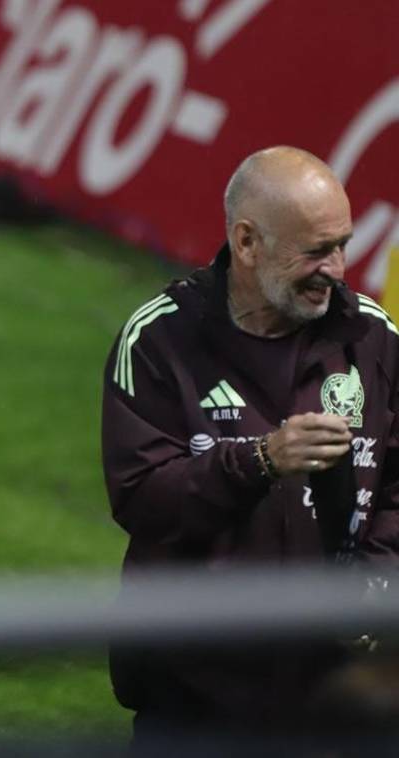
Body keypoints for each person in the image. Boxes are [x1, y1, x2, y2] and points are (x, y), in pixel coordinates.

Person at [102, 146, 399, 745]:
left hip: (340, 702)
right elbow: (142, 498)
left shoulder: (375, 339)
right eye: (316, 250)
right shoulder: (159, 340)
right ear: (246, 242)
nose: (337, 267)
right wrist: (261, 460)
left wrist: (374, 584)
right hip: (194, 700)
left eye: (343, 244)